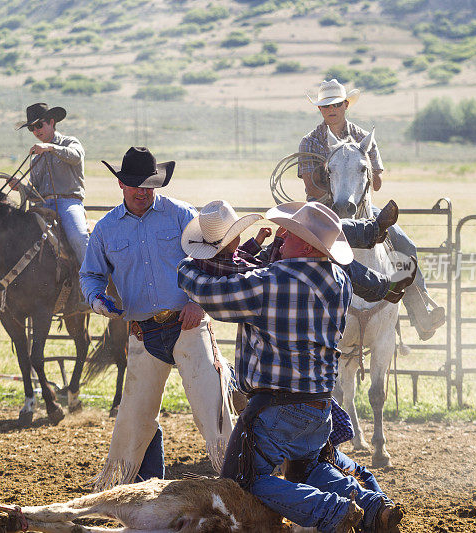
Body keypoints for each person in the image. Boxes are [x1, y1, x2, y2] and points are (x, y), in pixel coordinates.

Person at [178, 201, 403, 533]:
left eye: (291, 234)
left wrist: (186, 267)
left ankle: (334, 512)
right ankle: (373, 507)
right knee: (309, 469)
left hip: (277, 408)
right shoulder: (339, 278)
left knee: (243, 481)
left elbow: (213, 294)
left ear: (309, 245)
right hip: (319, 406)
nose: (282, 236)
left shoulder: (275, 280)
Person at [79, 147, 234, 490]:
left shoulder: (181, 215)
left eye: (148, 185)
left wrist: (198, 302)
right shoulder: (105, 230)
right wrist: (98, 300)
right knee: (136, 417)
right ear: (121, 185)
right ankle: (143, 490)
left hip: (188, 324)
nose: (142, 191)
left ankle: (240, 479)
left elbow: (208, 259)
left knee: (213, 410)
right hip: (142, 331)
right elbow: (90, 276)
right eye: (135, 185)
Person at [299, 78, 445, 340]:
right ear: (320, 110)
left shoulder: (363, 138)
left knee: (404, 244)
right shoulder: (309, 143)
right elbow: (311, 188)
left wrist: (360, 169)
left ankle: (420, 311)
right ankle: (293, 320)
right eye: (325, 106)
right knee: (293, 254)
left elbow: (376, 182)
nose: (331, 109)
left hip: (362, 208)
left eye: (336, 104)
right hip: (322, 211)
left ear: (345, 105)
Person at [181, 199, 413, 304]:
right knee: (317, 239)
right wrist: (277, 245)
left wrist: (260, 241)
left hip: (263, 267)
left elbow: (240, 254)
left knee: (312, 228)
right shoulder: (227, 268)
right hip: (270, 272)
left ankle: (375, 237)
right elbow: (261, 270)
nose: (239, 237)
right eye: (236, 235)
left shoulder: (217, 257)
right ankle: (374, 238)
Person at [13, 102, 89, 264]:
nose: (36, 131)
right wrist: (20, 187)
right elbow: (35, 192)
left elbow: (76, 156)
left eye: (39, 125)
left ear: (52, 122)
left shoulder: (69, 142)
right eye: (31, 128)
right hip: (43, 205)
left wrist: (50, 147)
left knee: (79, 237)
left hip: (68, 203)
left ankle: (92, 280)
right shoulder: (36, 156)